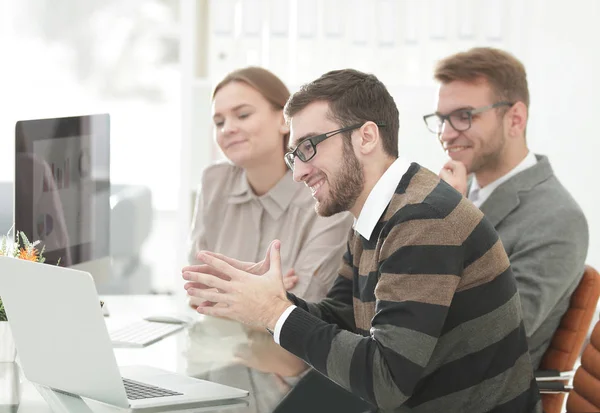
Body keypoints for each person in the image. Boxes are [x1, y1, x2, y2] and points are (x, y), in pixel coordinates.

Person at [182, 69, 542, 412]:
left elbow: (386, 380)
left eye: (309, 148)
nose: (299, 172)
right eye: (294, 156)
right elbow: (342, 319)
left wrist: (274, 312)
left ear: (366, 137)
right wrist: (274, 299)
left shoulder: (423, 219)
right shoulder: (378, 214)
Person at [423, 47, 589, 368]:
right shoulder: (460, 192)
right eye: (442, 119)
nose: (445, 134)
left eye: (464, 116)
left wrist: (453, 223)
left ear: (515, 119)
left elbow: (491, 338)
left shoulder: (558, 218)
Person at [188, 66, 353, 302]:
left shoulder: (324, 191)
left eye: (243, 115)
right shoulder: (214, 182)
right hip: (220, 337)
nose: (227, 129)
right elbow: (196, 292)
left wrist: (227, 292)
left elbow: (305, 302)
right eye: (218, 121)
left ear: (285, 120)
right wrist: (264, 294)